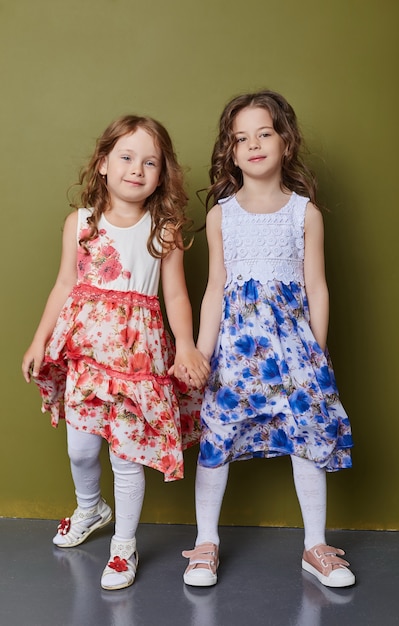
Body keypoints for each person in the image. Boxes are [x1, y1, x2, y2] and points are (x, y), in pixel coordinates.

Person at [22, 114, 210, 590]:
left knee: (127, 457)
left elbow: (177, 296)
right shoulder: (80, 223)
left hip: (137, 362)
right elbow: (66, 282)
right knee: (81, 450)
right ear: (103, 163)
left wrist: (184, 344)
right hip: (87, 356)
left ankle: (123, 545)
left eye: (151, 162)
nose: (137, 169)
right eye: (126, 157)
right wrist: (40, 338)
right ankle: (91, 508)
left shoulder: (163, 229)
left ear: (162, 174)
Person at [180, 91, 355, 589]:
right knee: (217, 438)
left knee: (307, 438)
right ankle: (206, 541)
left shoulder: (305, 214)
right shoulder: (221, 215)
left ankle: (315, 545)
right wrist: (202, 353)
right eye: (241, 138)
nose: (253, 144)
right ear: (231, 152)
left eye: (264, 133)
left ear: (285, 141)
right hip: (235, 353)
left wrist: (316, 353)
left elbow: (317, 286)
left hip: (294, 353)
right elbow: (215, 288)